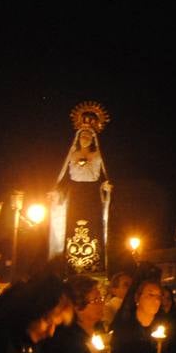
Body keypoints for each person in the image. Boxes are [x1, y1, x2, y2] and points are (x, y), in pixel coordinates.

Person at [48, 103, 113, 274]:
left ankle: (93, 264)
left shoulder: (98, 155)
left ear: (93, 138)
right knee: (71, 226)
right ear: (78, 137)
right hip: (75, 194)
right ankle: (69, 265)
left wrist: (105, 186)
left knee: (93, 227)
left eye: (88, 136)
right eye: (82, 135)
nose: (85, 138)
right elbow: (62, 176)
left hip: (92, 194)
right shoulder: (73, 154)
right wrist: (56, 190)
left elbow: (105, 174)